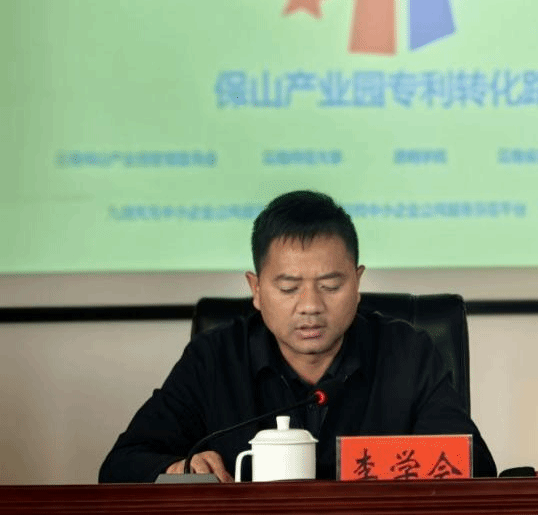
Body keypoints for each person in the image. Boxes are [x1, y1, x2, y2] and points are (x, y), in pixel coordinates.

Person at [99, 190, 496, 482]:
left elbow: (475, 466)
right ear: (256, 289)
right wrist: (179, 468)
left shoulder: (407, 354)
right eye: (289, 288)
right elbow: (120, 465)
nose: (310, 305)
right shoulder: (214, 359)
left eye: (330, 286)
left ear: (357, 283)